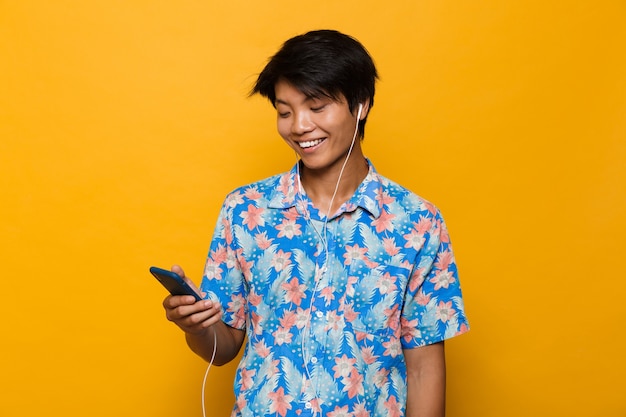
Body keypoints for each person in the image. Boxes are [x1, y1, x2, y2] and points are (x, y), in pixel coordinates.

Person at [163, 29, 469, 417]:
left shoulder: (418, 222)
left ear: (361, 105)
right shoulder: (245, 211)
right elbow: (222, 350)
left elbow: (424, 368)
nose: (299, 126)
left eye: (317, 106)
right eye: (285, 111)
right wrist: (196, 326)